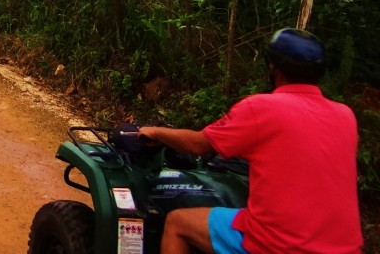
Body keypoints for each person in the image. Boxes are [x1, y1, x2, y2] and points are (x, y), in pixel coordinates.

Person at [139, 28, 362, 254]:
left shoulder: (261, 107)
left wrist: (155, 132)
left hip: (282, 245)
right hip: (346, 248)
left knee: (177, 223)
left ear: (273, 67)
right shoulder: (346, 116)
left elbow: (197, 144)